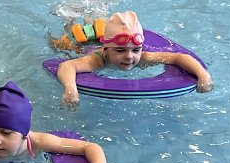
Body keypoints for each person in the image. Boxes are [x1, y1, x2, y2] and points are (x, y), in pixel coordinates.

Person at [54, 10, 213, 108]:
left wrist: (203, 76)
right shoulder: (99, 60)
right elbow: (67, 66)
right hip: (85, 46)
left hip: (106, 37)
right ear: (106, 49)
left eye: (136, 50)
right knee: (65, 41)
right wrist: (70, 89)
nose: (130, 56)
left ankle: (94, 17)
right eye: (120, 50)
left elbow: (179, 57)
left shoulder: (144, 57)